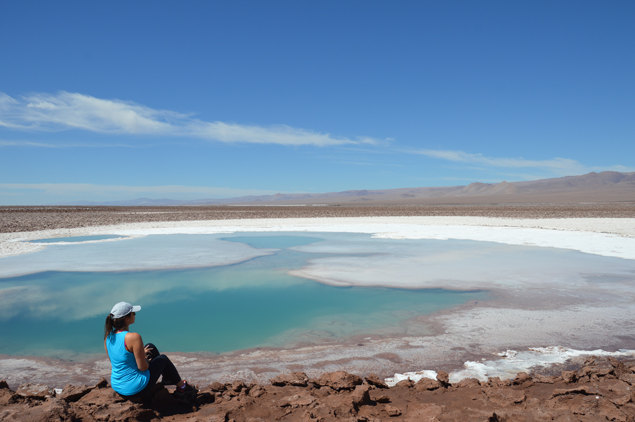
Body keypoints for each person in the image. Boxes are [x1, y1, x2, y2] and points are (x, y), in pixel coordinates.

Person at [104, 302, 197, 401]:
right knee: (163, 359)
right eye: (133, 313)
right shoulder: (133, 337)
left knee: (150, 347)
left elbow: (117, 361)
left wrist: (141, 353)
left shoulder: (108, 336)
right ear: (127, 319)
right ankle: (182, 388)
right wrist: (145, 359)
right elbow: (143, 368)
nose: (135, 315)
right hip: (134, 389)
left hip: (118, 387)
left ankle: (168, 378)